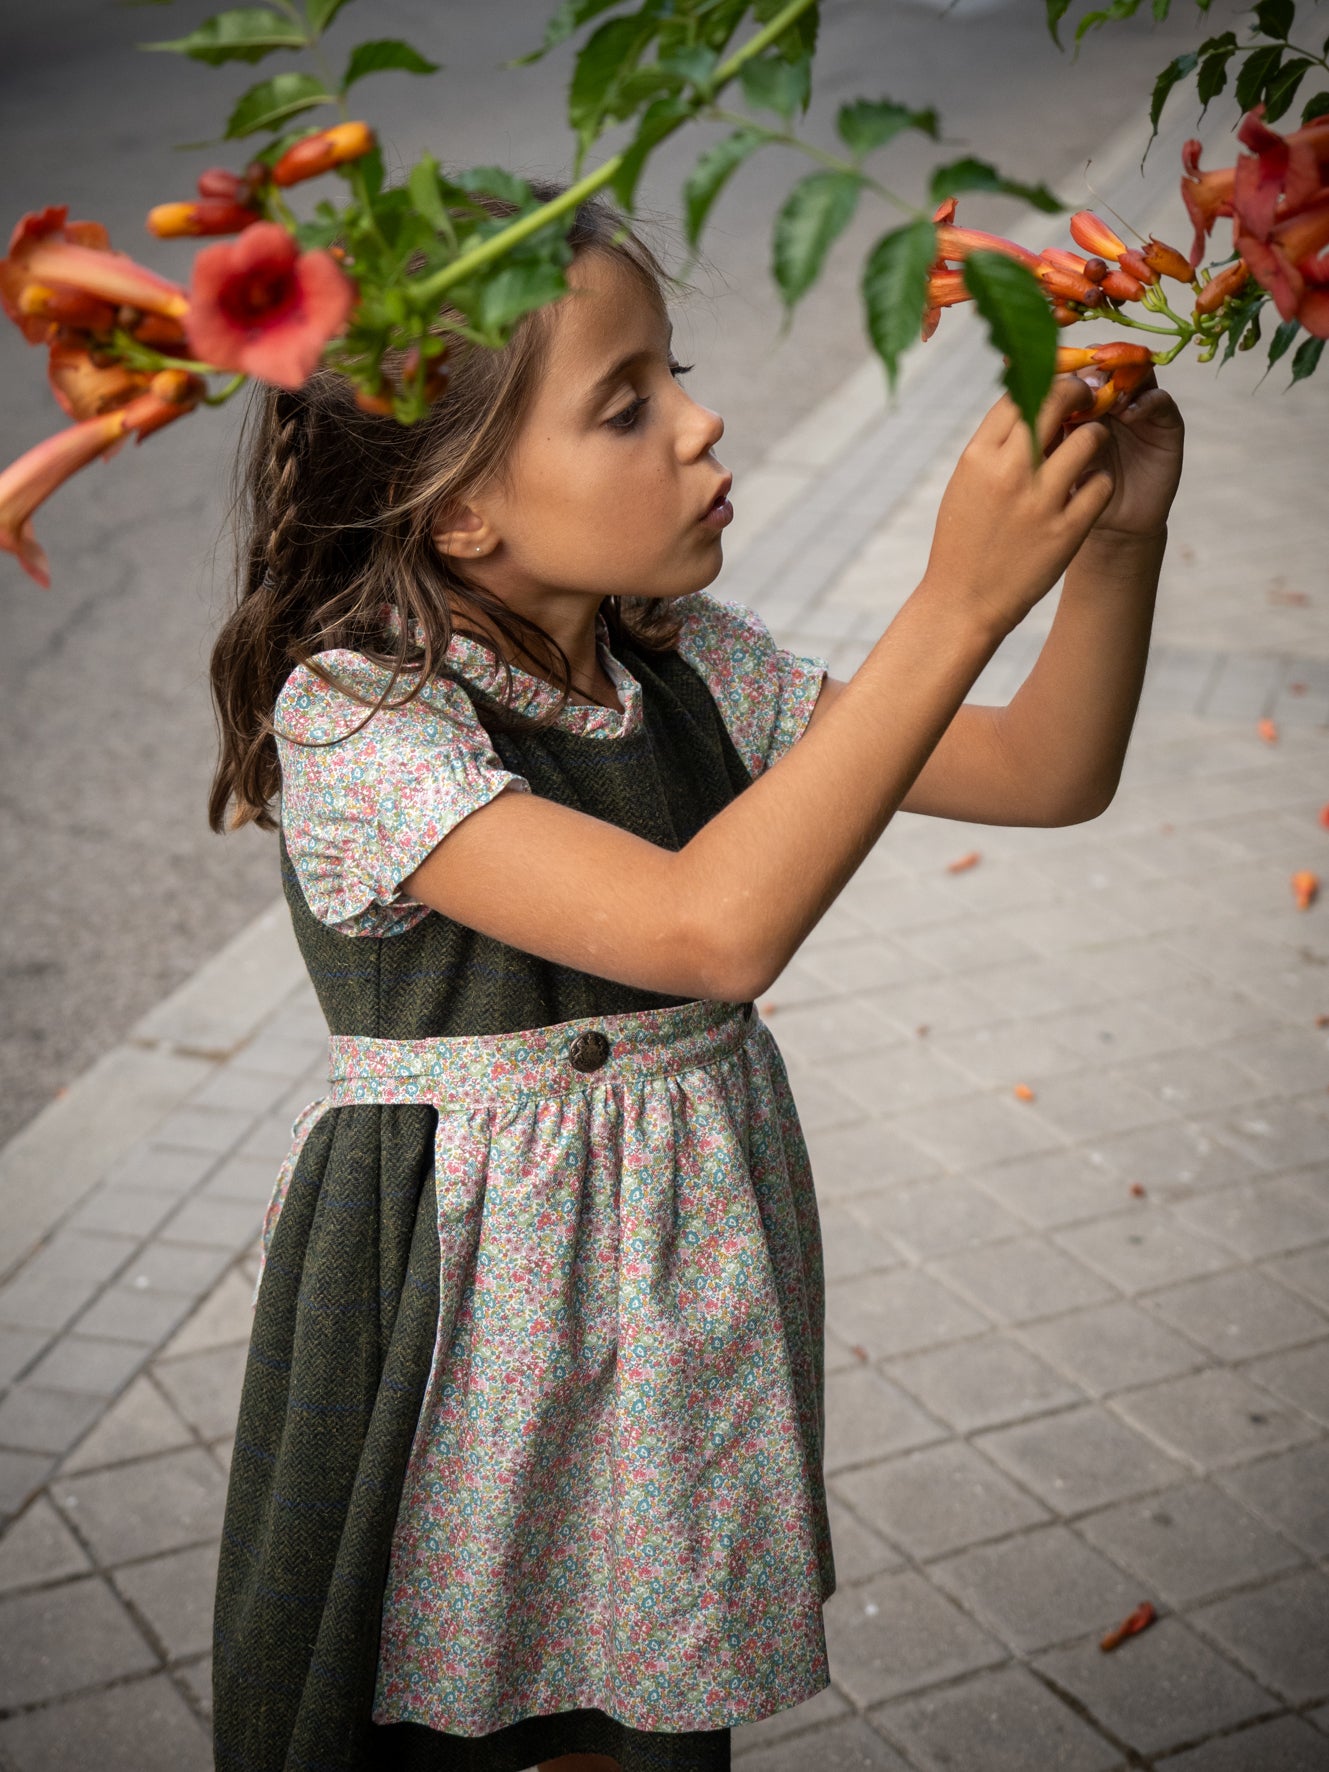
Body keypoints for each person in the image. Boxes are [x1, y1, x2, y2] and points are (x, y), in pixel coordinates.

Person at [205, 176, 1183, 1772]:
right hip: (451, 1327)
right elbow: (705, 929)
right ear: (461, 508)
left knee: (631, 1710)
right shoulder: (360, 721)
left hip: (663, 1315)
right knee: (440, 1711)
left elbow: (1045, 767)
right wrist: (955, 597)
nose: (702, 423)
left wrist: (1109, 549)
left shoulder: (683, 657)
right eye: (626, 404)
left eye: (675, 373)